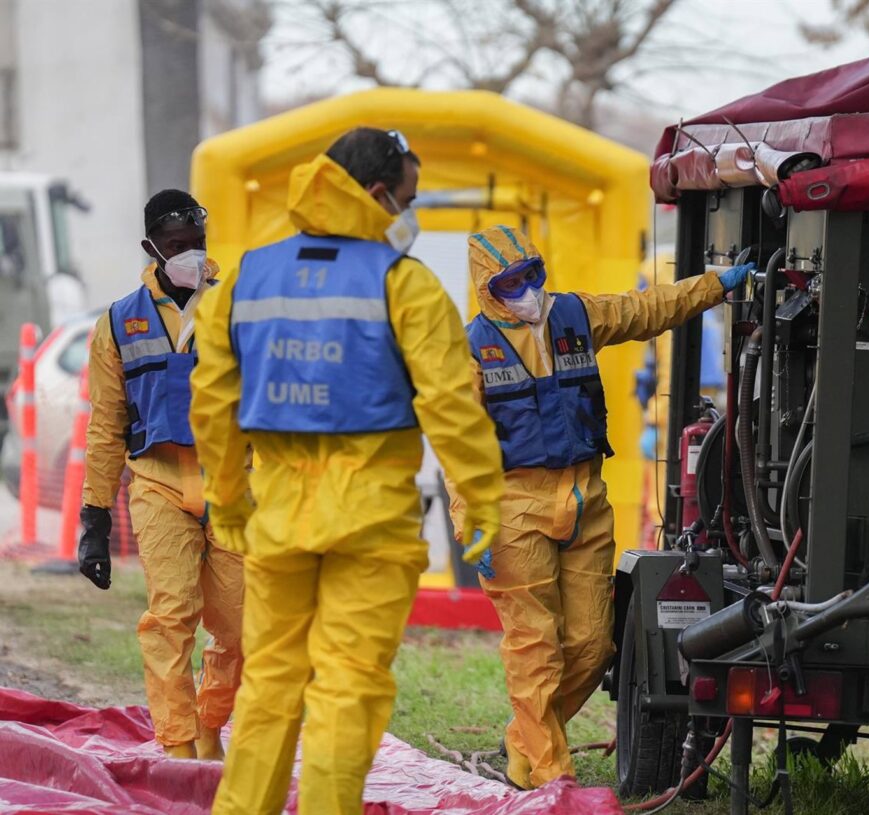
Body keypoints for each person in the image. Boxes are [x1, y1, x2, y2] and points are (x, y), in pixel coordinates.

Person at [192, 127, 505, 815]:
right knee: (347, 687)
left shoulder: (245, 276)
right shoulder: (406, 285)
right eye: (409, 199)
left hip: (274, 516)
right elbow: (452, 405)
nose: (410, 214)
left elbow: (212, 403)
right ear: (375, 194)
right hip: (372, 521)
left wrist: (230, 501)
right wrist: (482, 501)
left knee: (269, 683)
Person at [450, 224, 753, 789]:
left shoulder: (575, 315)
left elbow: (648, 309)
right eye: (509, 282)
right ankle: (551, 781)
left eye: (531, 275)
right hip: (513, 507)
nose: (525, 290)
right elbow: (457, 443)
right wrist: (474, 522)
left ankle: (525, 742)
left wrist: (718, 285)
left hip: (585, 499)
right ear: (487, 289)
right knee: (534, 648)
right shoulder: (469, 350)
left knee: (593, 644)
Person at [77, 189, 244, 760]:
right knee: (172, 616)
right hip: (158, 483)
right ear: (152, 248)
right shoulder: (119, 323)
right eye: (178, 247)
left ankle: (208, 723)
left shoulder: (235, 308)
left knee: (242, 629)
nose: (192, 255)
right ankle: (177, 749)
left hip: (231, 484)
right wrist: (93, 520)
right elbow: (105, 425)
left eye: (198, 243)